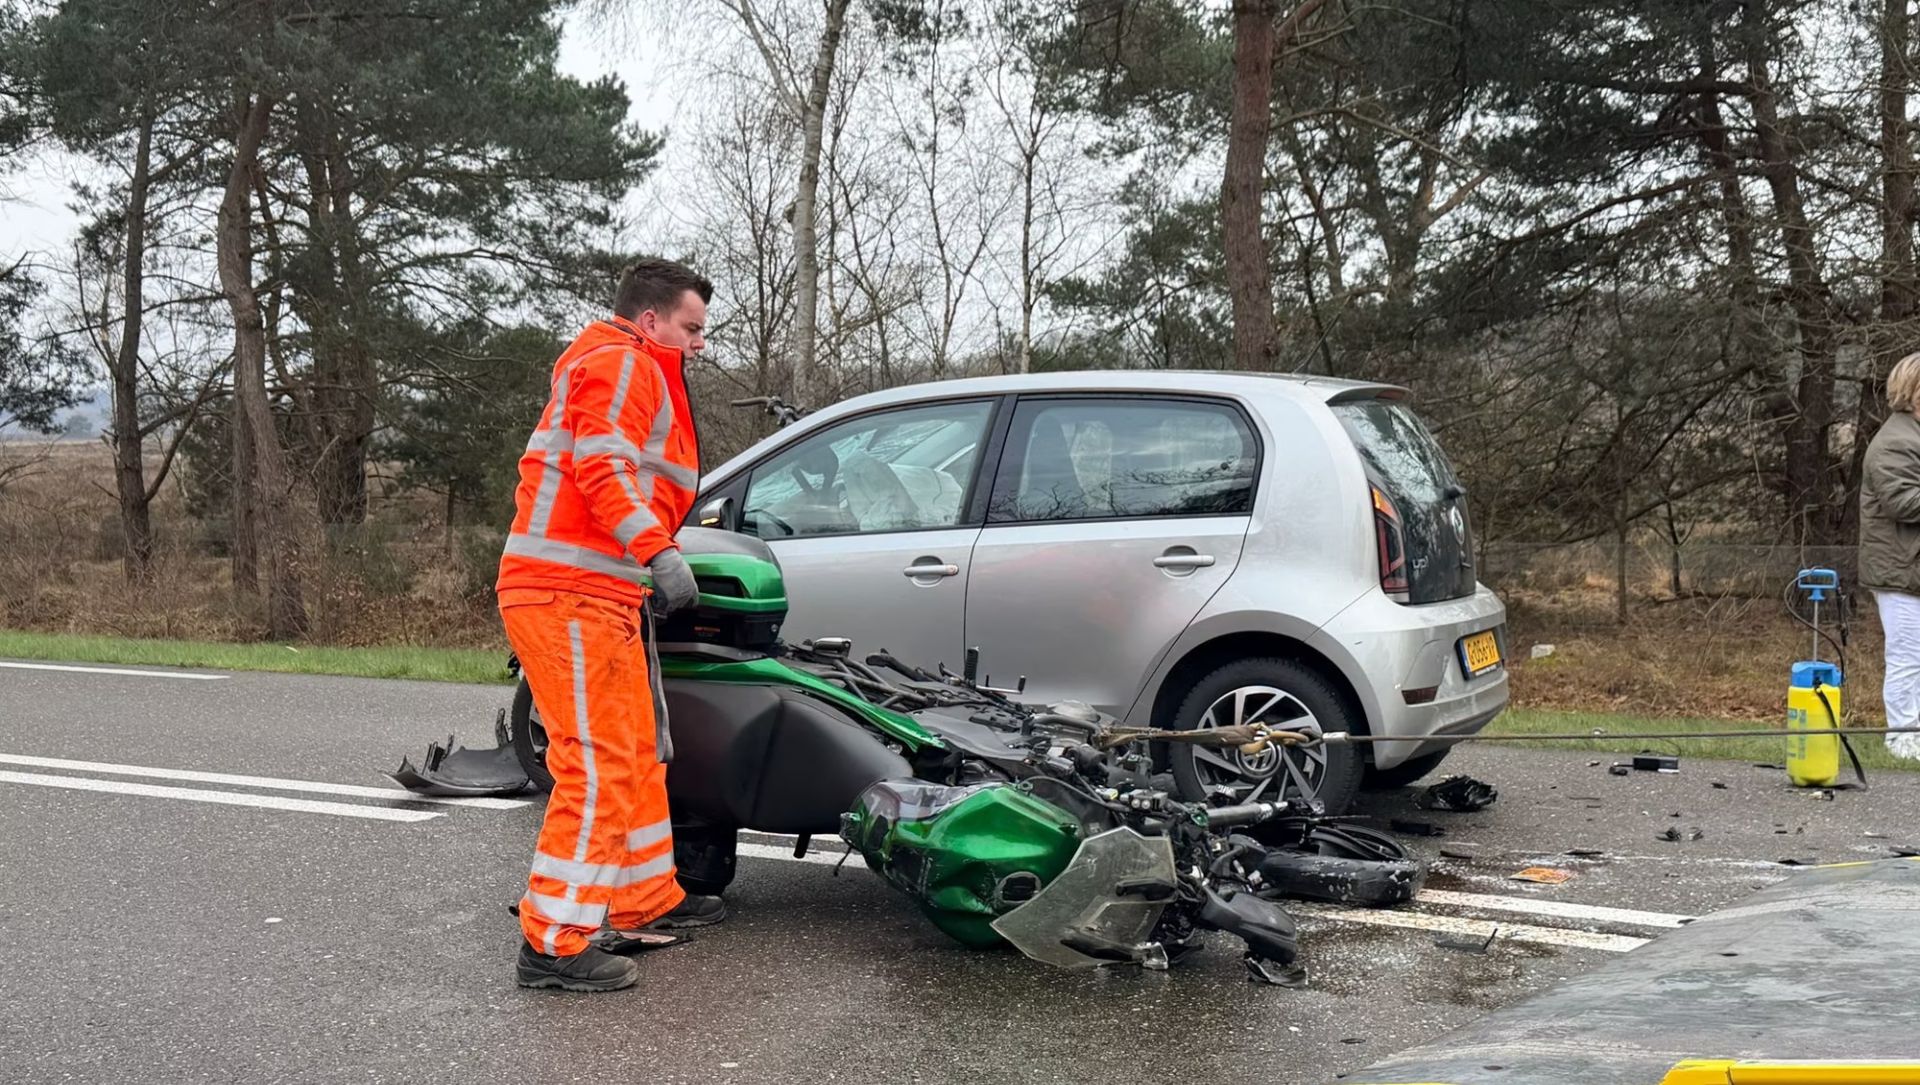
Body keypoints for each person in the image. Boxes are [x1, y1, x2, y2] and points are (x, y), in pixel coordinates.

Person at [495, 258, 723, 991]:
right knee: (596, 765)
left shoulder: (635, 366)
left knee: (632, 751)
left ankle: (639, 899)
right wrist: (655, 550)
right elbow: (602, 466)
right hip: (565, 593)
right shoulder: (621, 360)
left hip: (598, 592)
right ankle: (554, 943)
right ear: (650, 319)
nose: (698, 343)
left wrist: (647, 560)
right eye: (690, 328)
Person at [1862, 351, 1920, 762]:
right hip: (1900, 571)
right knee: (1906, 657)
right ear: (1913, 392)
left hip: (1911, 568)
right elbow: (1903, 503)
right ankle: (1901, 740)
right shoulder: (1895, 442)